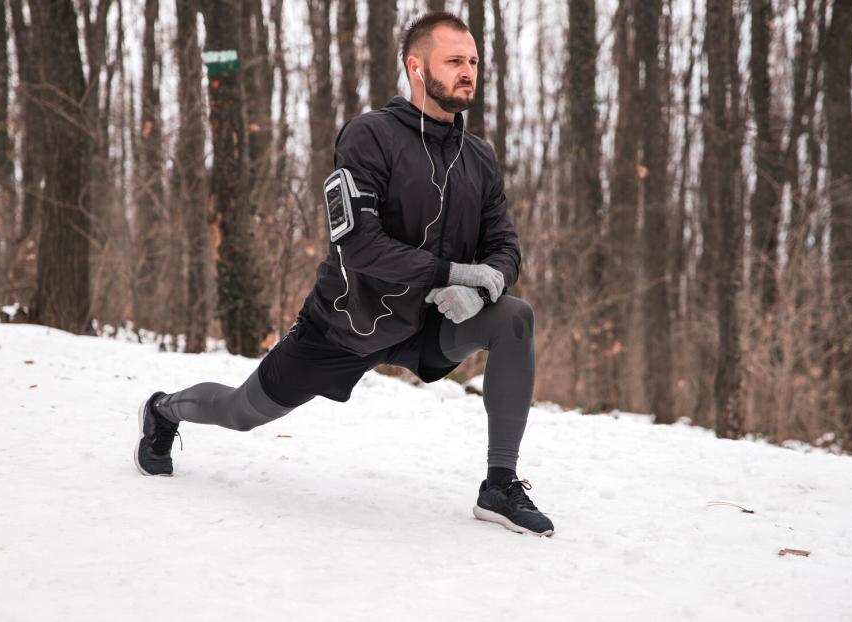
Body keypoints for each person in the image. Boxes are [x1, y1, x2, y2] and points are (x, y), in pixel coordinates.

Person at [134, 11, 554, 537]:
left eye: (472, 61)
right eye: (454, 61)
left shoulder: (480, 157)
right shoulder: (370, 135)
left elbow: (505, 247)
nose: (468, 71)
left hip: (431, 323)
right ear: (417, 67)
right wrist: (452, 272)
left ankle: (499, 485)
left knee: (514, 317)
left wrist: (483, 289)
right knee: (243, 411)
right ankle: (164, 410)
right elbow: (358, 245)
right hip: (348, 321)